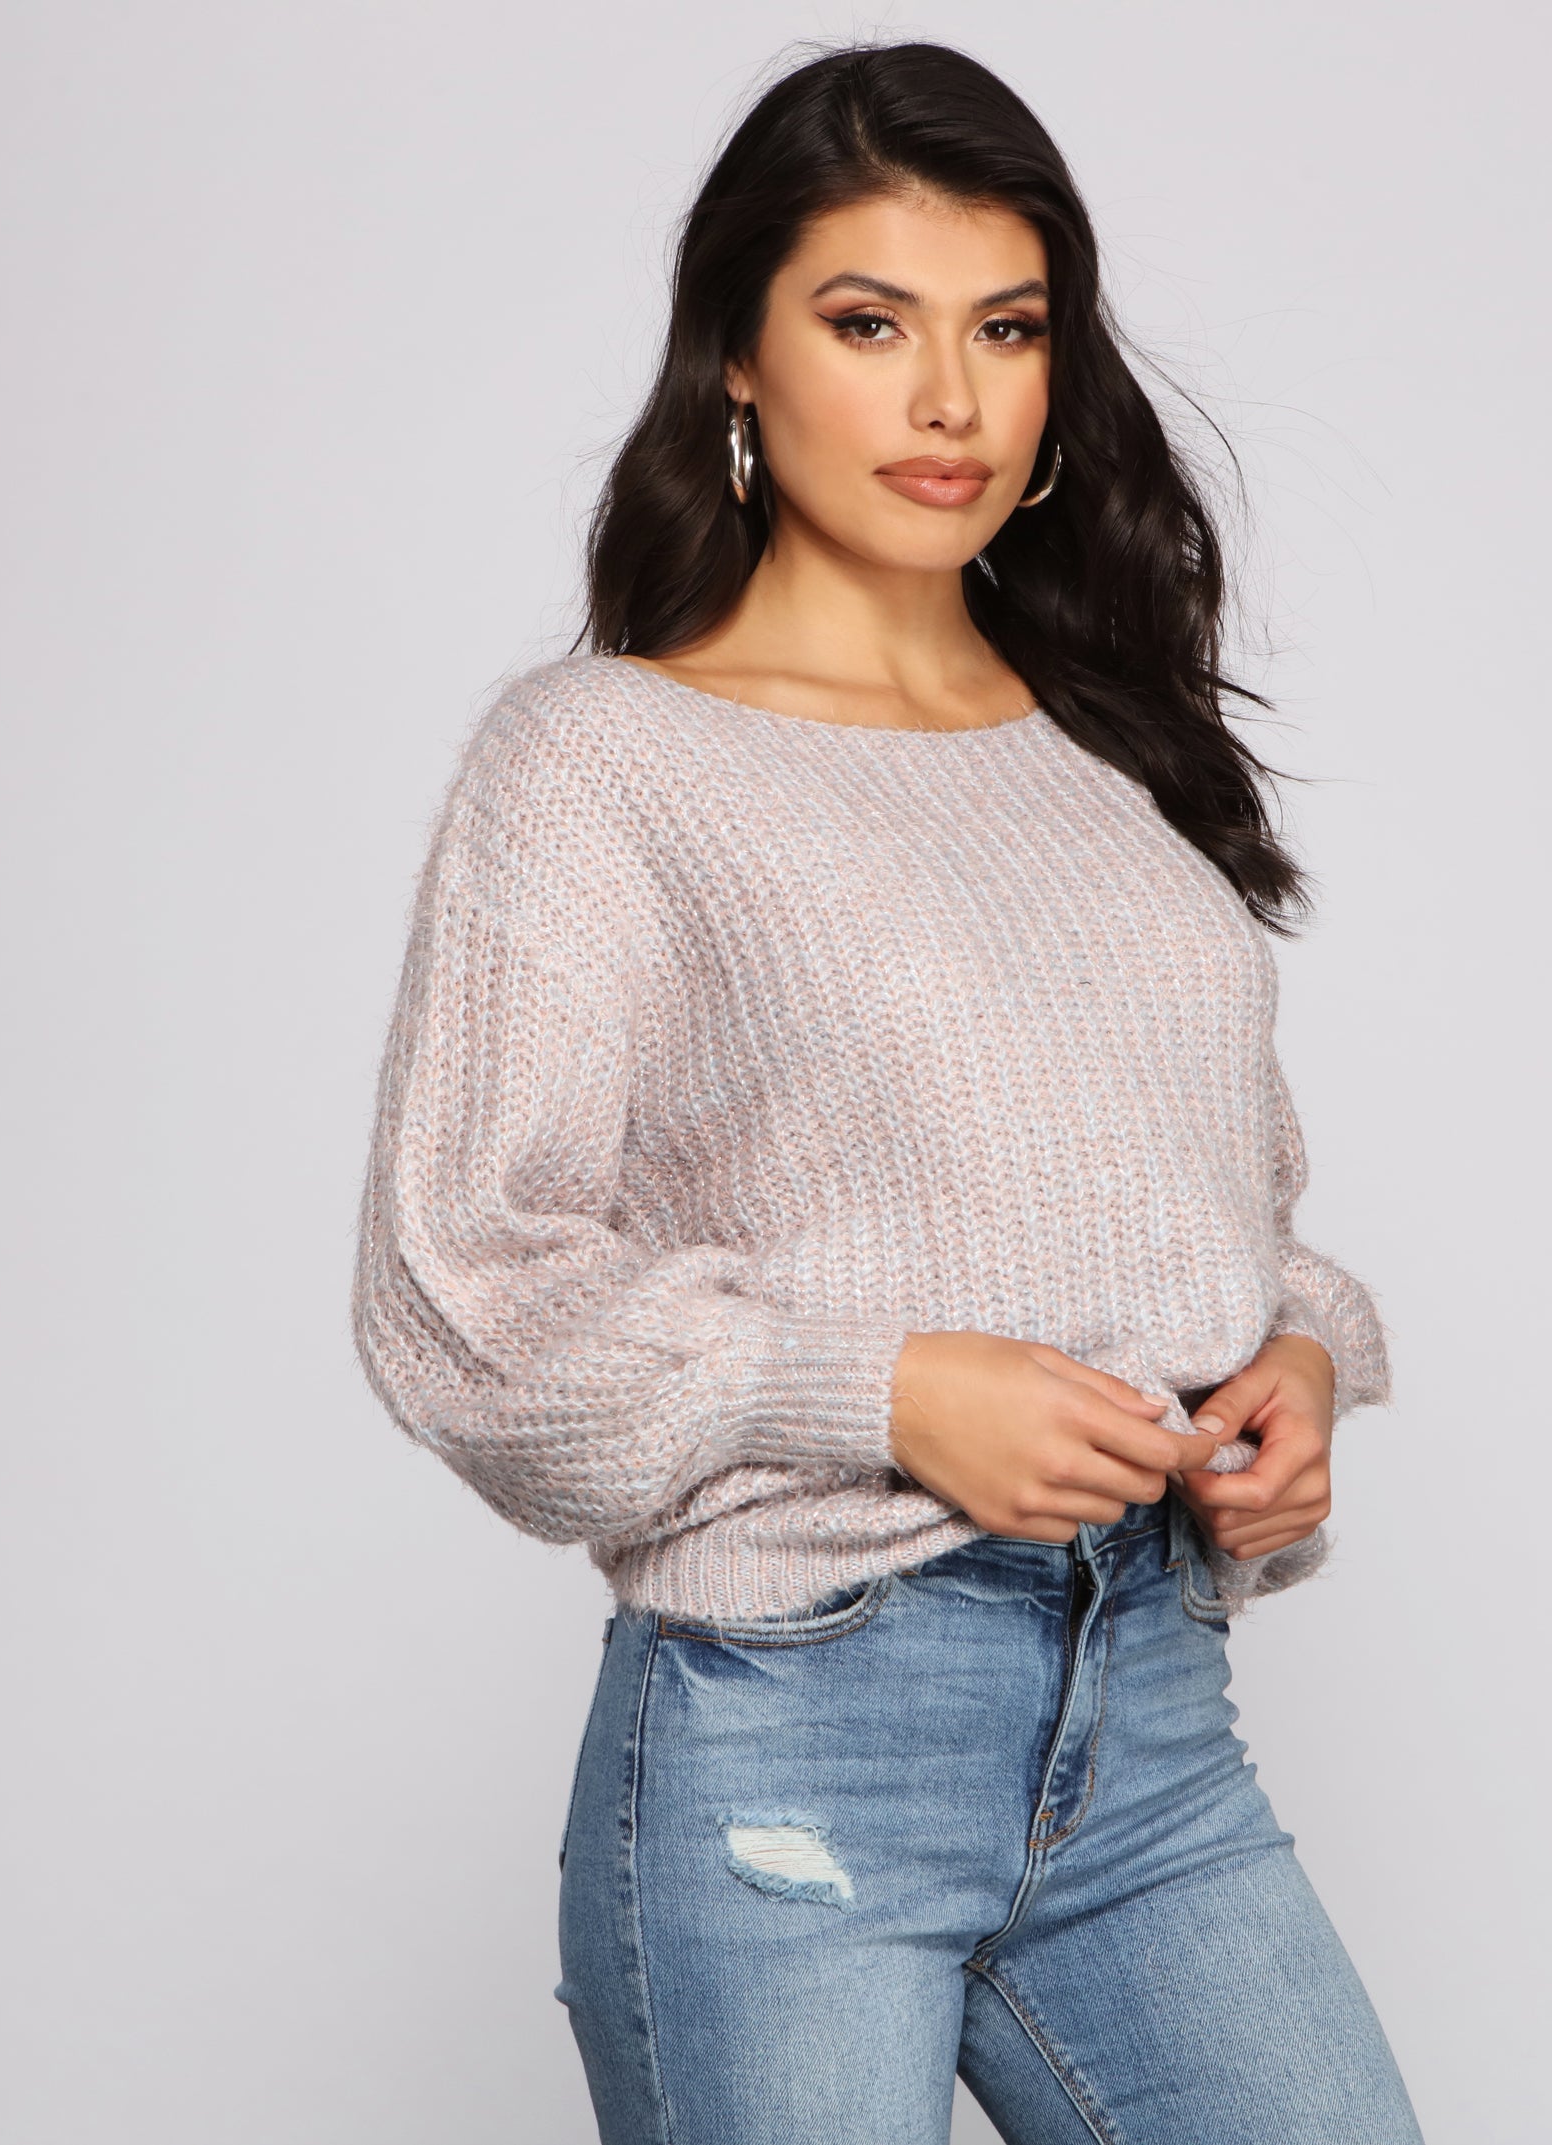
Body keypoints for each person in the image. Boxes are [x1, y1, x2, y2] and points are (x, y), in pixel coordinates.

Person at [351, 39, 1423, 2145]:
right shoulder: (600, 761)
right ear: (736, 362)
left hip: (1149, 1717)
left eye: (1005, 329)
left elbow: (1214, 1210)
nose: (948, 398)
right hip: (797, 1736)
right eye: (869, 323)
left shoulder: (1106, 753)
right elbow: (462, 1297)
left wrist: (1293, 1361)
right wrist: (885, 1388)